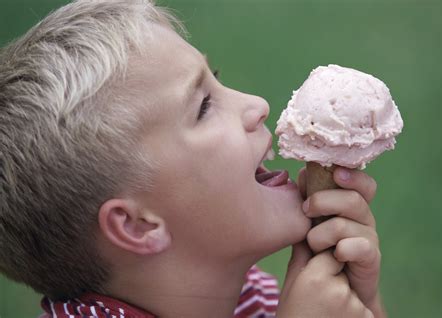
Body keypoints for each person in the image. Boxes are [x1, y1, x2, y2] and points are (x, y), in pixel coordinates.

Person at [0, 1, 386, 317]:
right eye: (203, 106)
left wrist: (362, 301)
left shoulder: (253, 299)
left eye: (215, 77)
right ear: (137, 225)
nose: (258, 105)